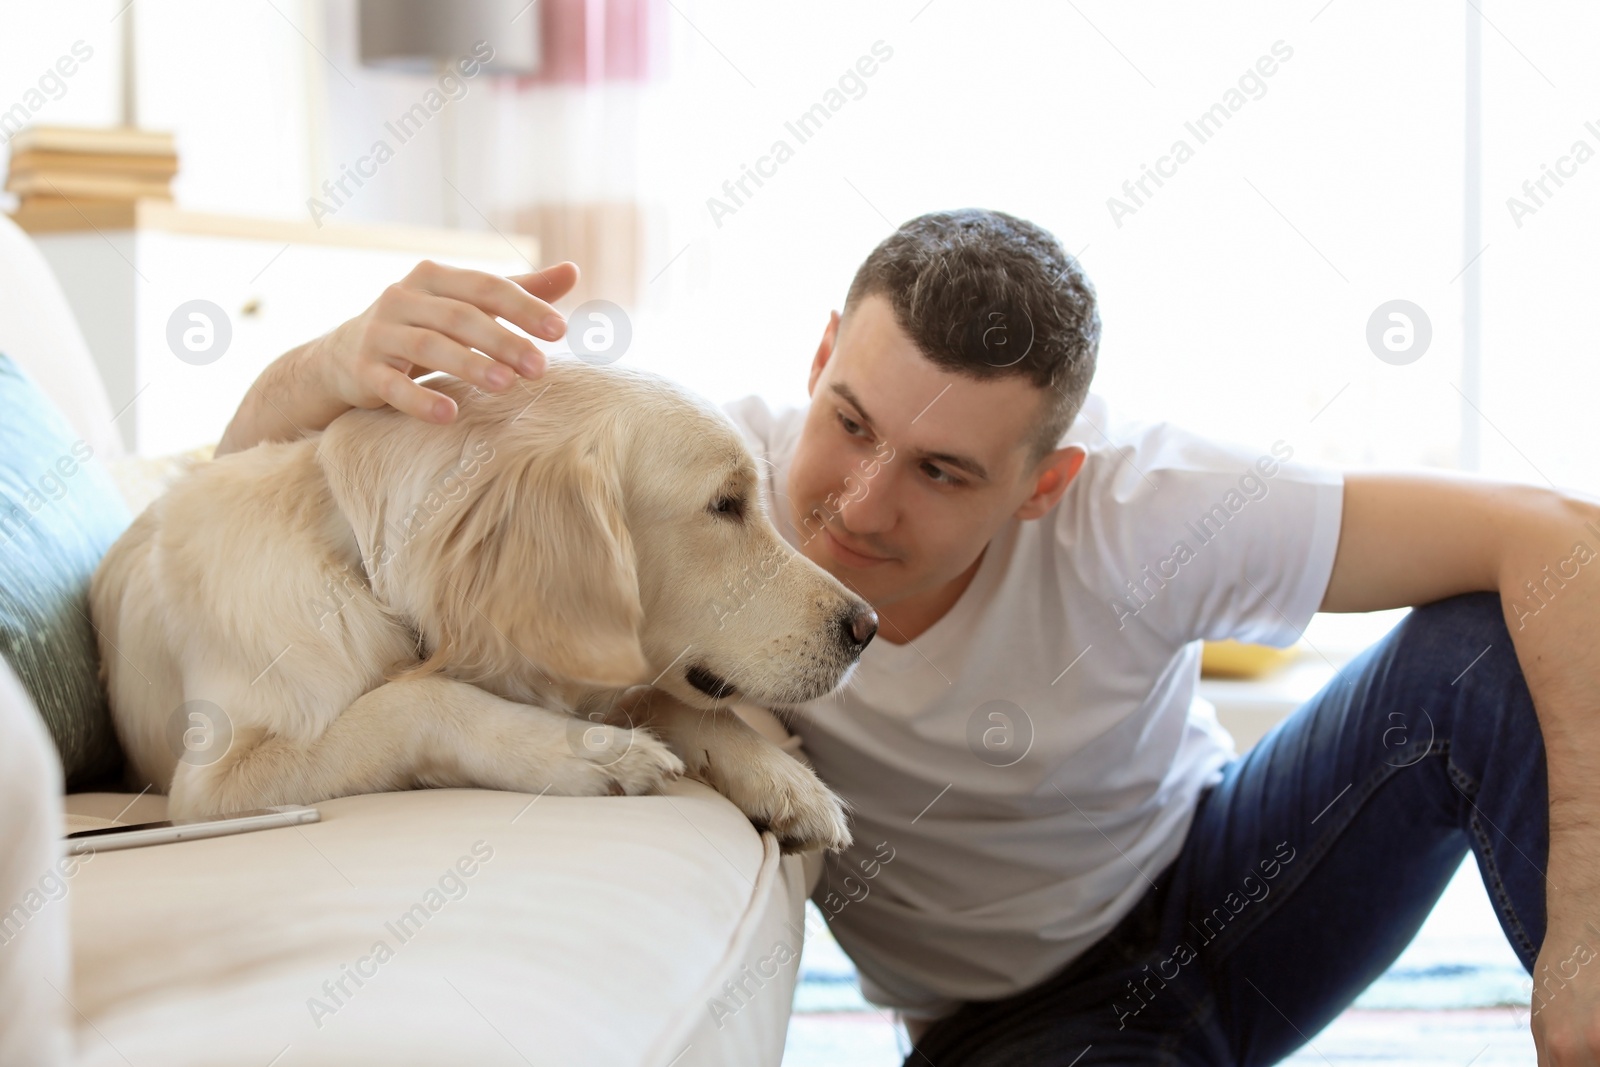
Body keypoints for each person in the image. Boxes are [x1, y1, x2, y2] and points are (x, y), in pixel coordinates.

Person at [217, 210, 1600, 1065]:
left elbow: (1560, 537)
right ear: (821, 357)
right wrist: (320, 368)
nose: (860, 509)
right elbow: (299, 549)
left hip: (1237, 885)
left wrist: (1584, 939)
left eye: (944, 473)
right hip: (1010, 1028)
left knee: (1473, 652)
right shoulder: (696, 489)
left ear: (1046, 483)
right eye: (852, 425)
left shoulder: (1149, 511)